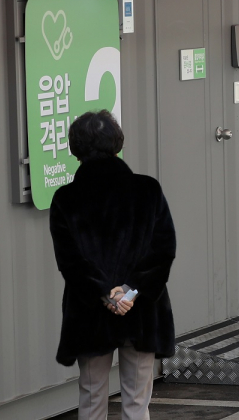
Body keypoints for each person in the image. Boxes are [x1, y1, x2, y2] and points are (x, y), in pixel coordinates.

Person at [49, 110, 176, 420]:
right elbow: (163, 250)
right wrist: (130, 291)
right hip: (142, 308)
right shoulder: (147, 190)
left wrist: (107, 293)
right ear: (117, 145)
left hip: (90, 311)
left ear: (76, 150)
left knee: (92, 400)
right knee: (137, 403)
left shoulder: (66, 198)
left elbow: (71, 262)